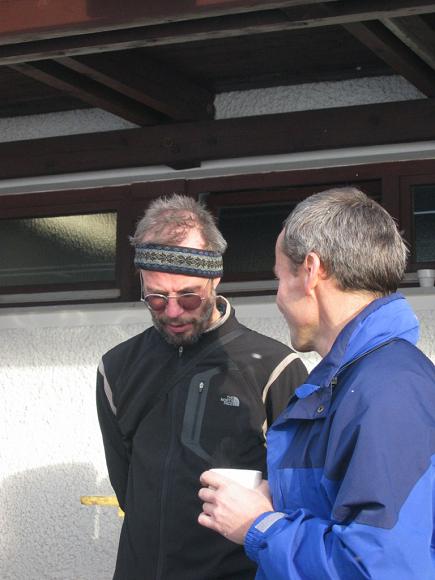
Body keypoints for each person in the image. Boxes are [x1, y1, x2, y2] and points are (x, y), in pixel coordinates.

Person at [198, 187, 435, 579]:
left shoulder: (387, 392)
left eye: (279, 277)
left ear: (310, 271)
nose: (278, 297)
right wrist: (278, 504)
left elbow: (378, 569)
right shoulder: (352, 382)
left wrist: (261, 527)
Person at [96, 194, 307, 580]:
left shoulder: (274, 368)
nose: (173, 311)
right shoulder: (116, 368)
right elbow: (128, 489)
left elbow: (298, 497)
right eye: (156, 298)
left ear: (215, 279)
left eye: (188, 296)